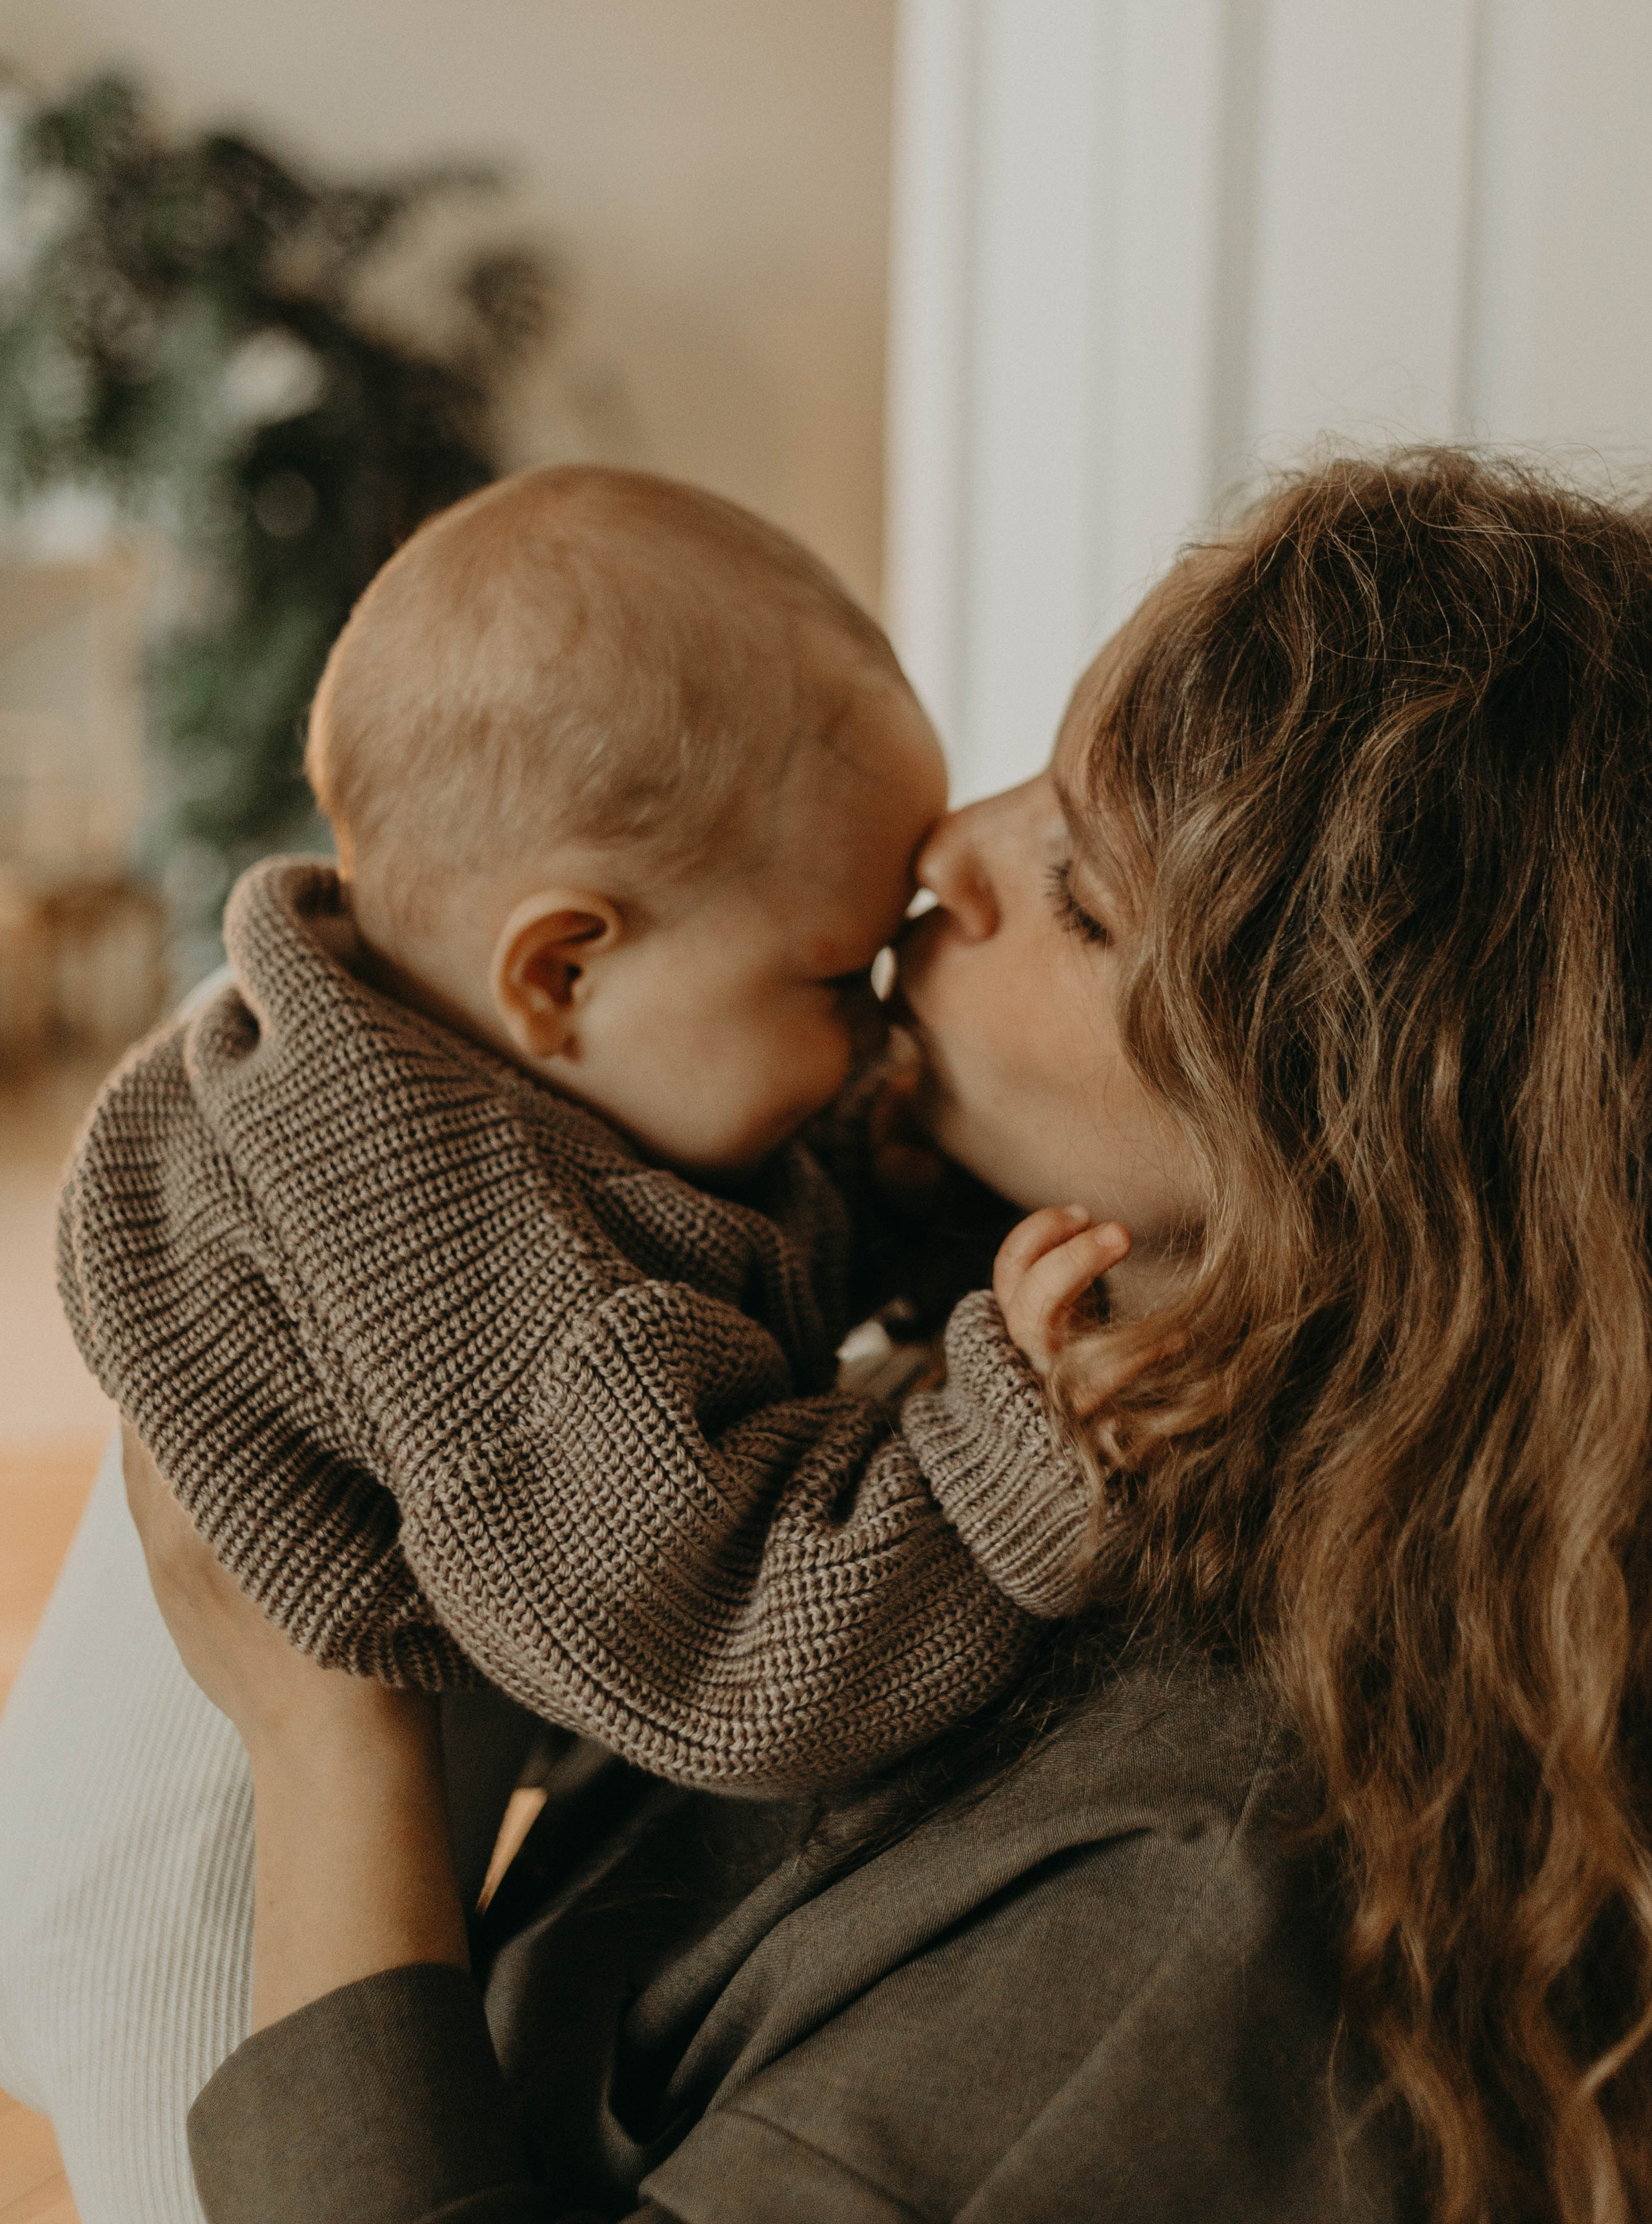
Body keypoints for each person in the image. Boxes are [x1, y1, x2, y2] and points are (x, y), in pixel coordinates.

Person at [112, 447, 1652, 2223]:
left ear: (1347, 1148)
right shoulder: (1048, 1349)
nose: (948, 853)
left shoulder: (1182, 1917)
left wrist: (332, 1746)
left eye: (1079, 889)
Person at [57, 462, 1148, 1790]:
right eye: (829, 981)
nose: (874, 1024)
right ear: (560, 974)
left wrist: (873, 1178)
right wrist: (1007, 1453)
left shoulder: (445, 1033)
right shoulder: (496, 1281)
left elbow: (706, 1214)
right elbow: (737, 1661)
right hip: (195, 1893)